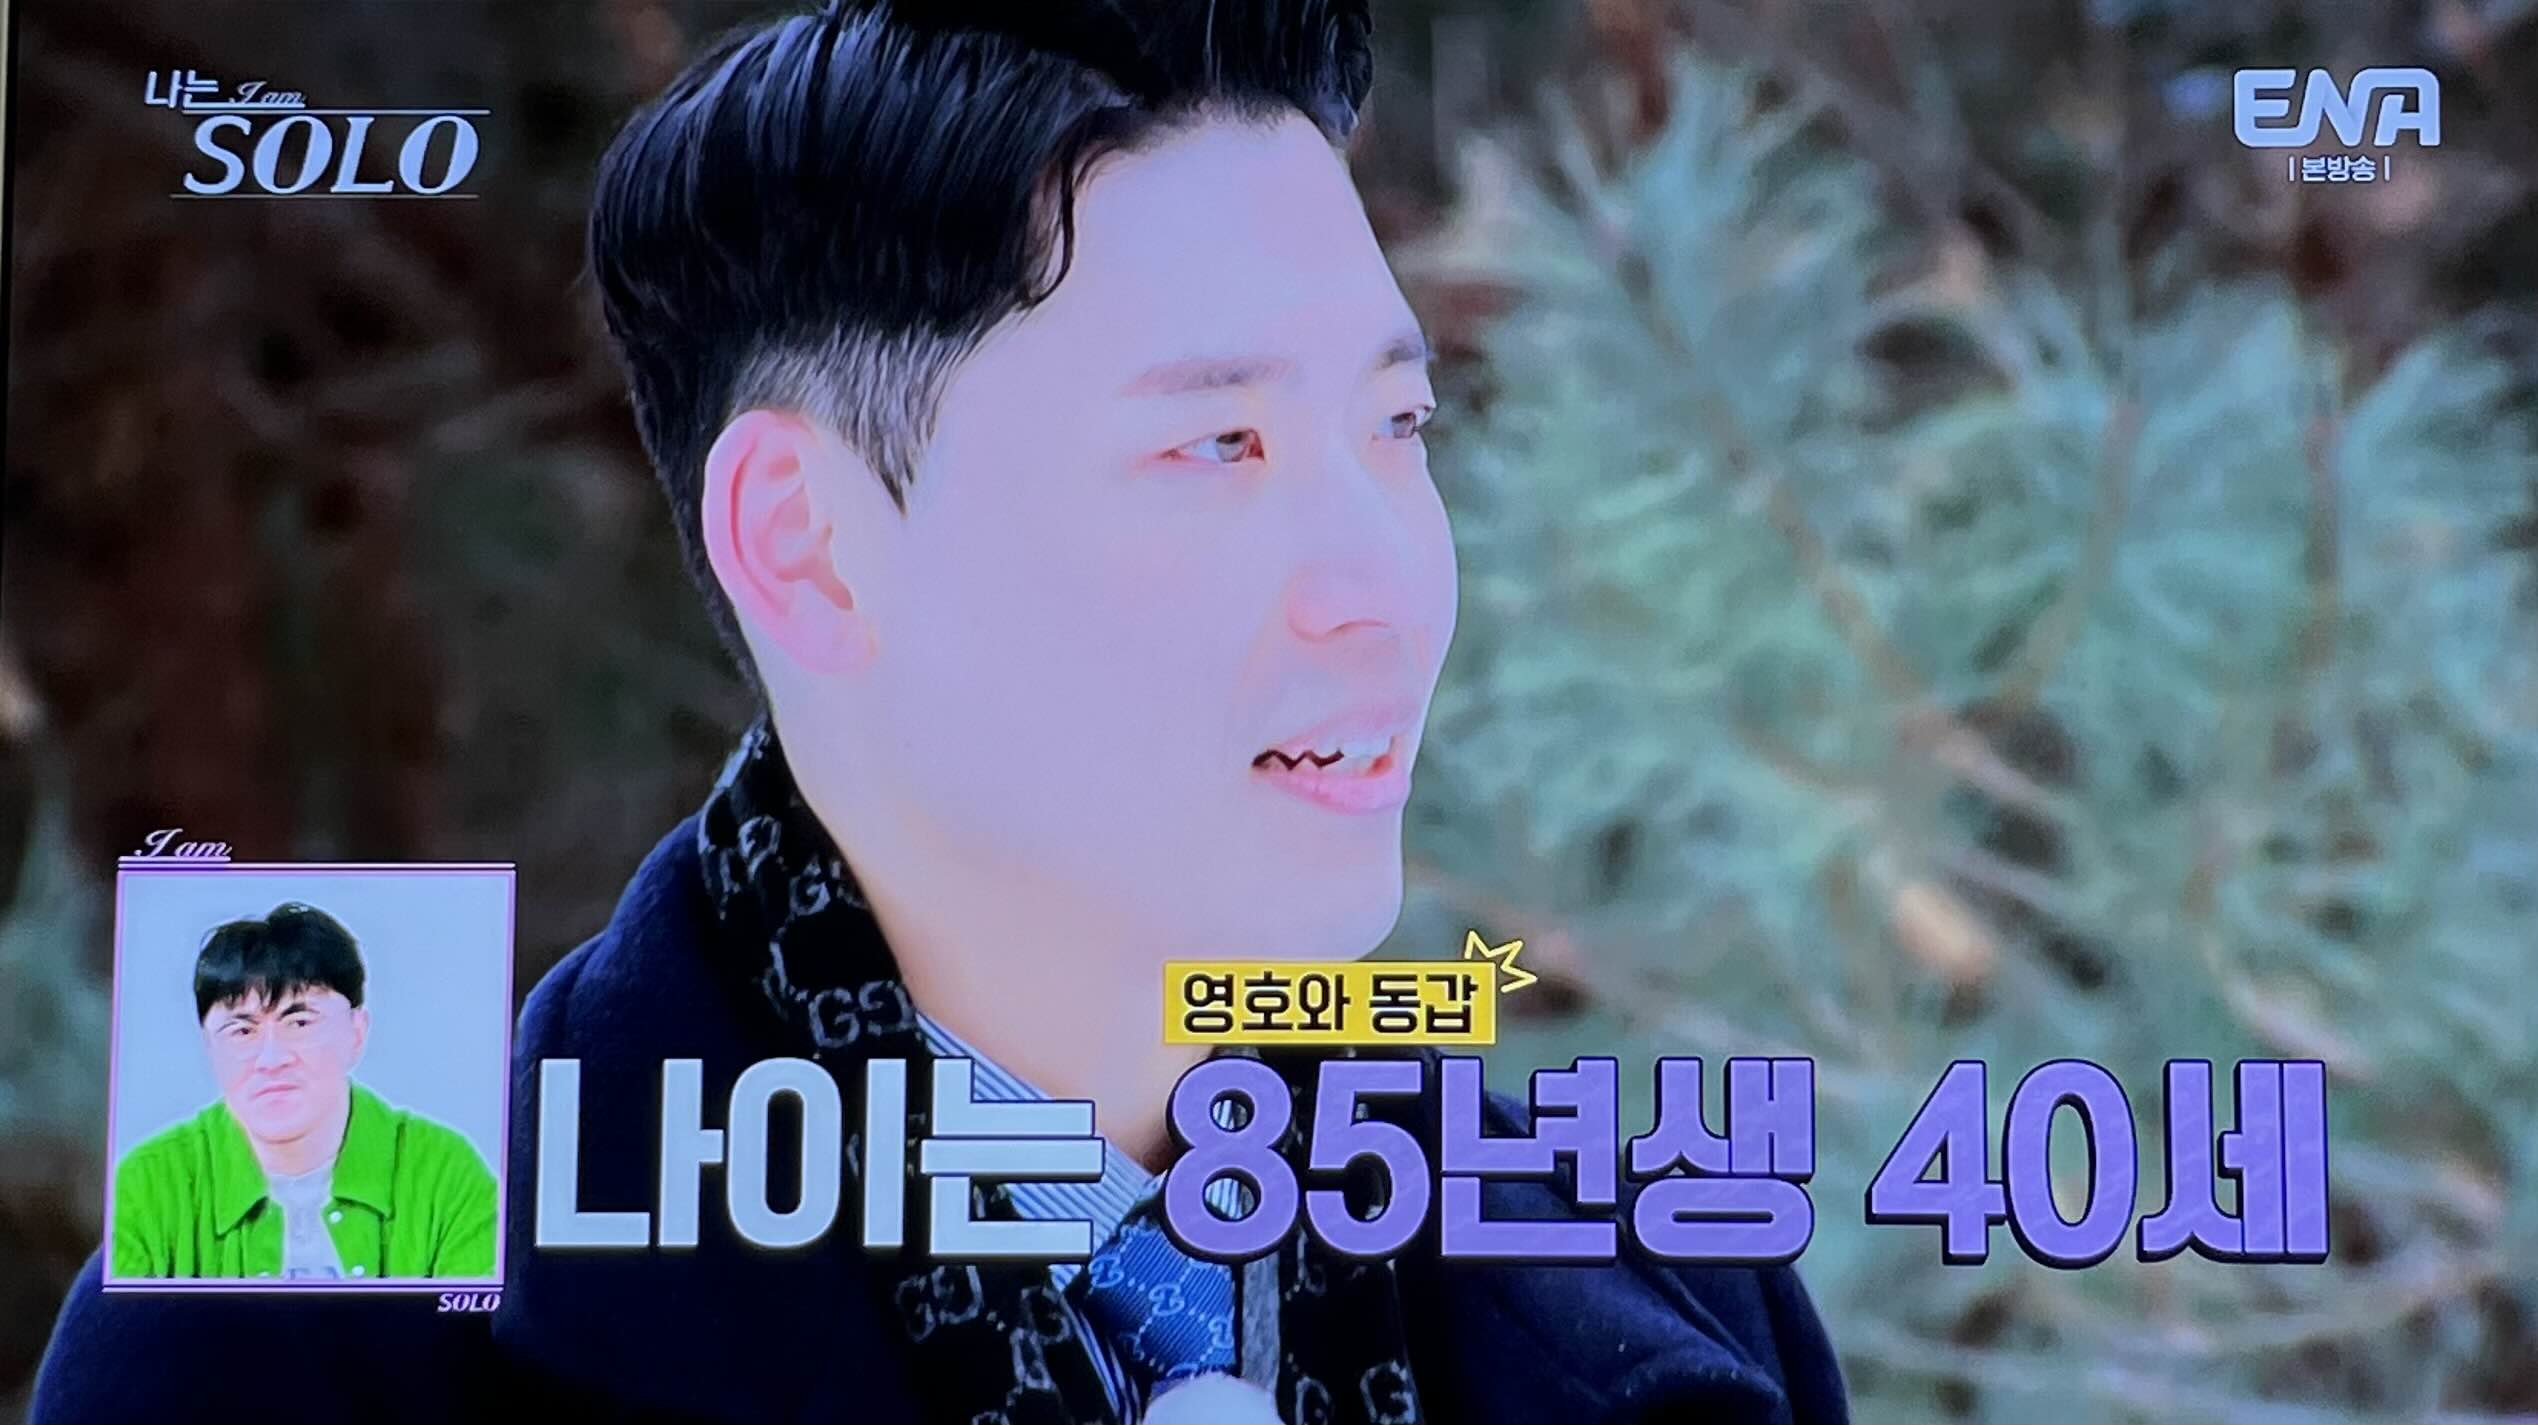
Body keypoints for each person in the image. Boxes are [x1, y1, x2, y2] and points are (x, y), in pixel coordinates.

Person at [38, 2, 1847, 1420]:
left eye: (1397, 428)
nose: (1379, 578)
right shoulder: (303, 1340)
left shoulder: (1659, 1278)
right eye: (1215, 444)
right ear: (807, 544)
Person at [107, 902, 498, 1281]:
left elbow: (477, 1326)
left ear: (357, 1032)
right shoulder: (149, 1186)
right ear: (209, 1047)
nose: (272, 1059)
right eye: (242, 1031)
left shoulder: (447, 1174)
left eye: (299, 1023)